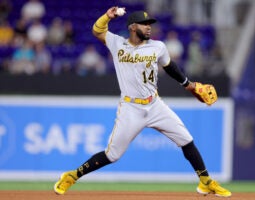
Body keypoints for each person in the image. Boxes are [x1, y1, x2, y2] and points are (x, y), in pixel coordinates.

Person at [53, 7, 232, 197]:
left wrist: (188, 84)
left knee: (186, 140)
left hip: (155, 104)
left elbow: (169, 66)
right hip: (131, 108)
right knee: (112, 155)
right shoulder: (117, 43)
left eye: (150, 24)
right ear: (132, 27)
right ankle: (72, 176)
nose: (149, 28)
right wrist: (107, 16)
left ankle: (206, 182)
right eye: (144, 24)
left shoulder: (158, 46)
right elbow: (97, 31)